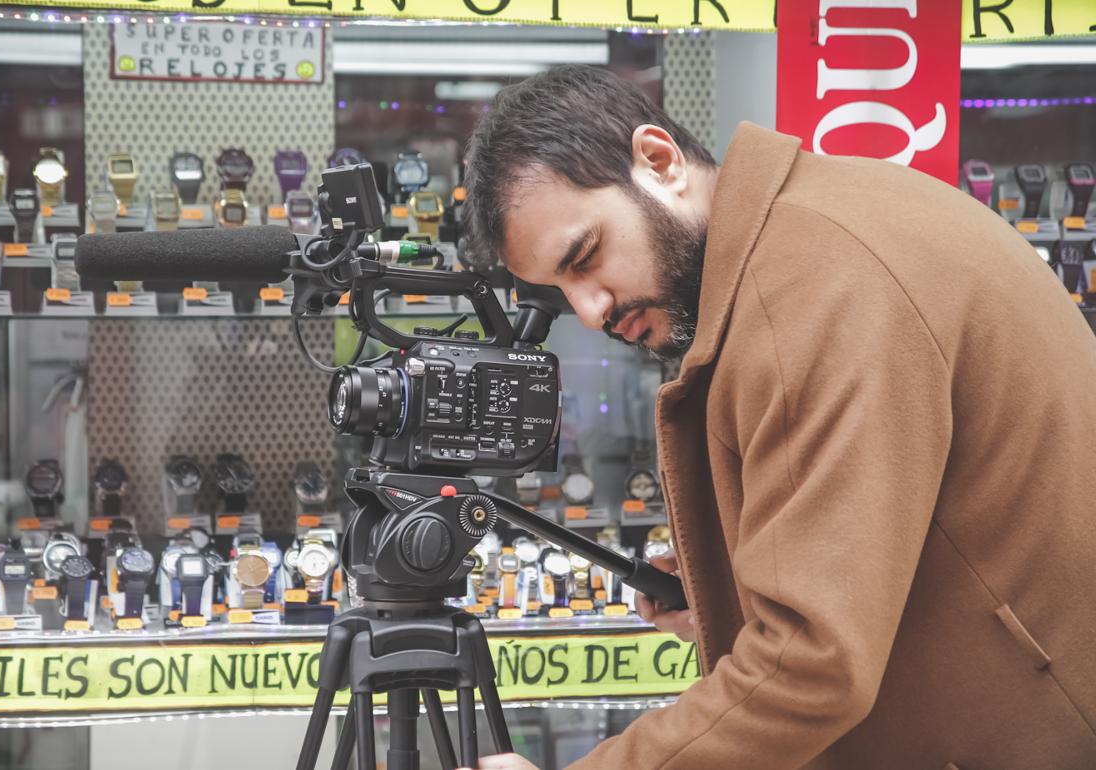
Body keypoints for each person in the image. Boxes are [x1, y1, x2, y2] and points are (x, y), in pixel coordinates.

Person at [458, 65, 1096, 769]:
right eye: (560, 291)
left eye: (587, 256)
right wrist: (731, 596)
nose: (590, 310)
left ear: (659, 161)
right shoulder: (820, 220)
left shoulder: (808, 292)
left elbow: (811, 665)